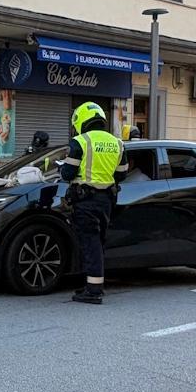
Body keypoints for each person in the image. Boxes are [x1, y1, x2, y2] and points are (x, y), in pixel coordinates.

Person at [60, 102, 127, 305]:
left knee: (90, 244)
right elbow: (122, 174)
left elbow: (67, 173)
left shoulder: (80, 141)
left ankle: (94, 290)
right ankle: (90, 284)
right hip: (106, 201)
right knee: (97, 243)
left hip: (85, 200)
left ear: (80, 121)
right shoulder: (117, 143)